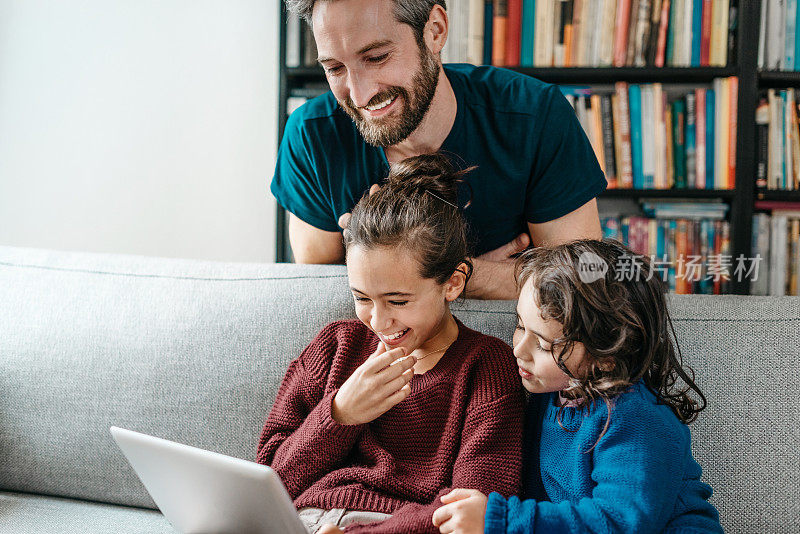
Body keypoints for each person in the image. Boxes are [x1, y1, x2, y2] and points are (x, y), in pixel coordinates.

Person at [257, 154, 526, 533]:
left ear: (453, 282)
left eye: (398, 301)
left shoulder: (485, 368)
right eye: (363, 298)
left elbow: (472, 511)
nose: (379, 322)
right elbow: (265, 483)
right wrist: (338, 414)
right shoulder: (336, 346)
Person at [273, 0, 607, 299]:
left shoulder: (535, 116)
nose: (359, 96)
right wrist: (503, 278)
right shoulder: (311, 135)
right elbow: (319, 295)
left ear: (435, 31)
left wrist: (456, 275)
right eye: (334, 68)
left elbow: (585, 282)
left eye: (376, 57)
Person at [432, 239, 724, 534]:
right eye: (520, 325)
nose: (518, 349)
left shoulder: (636, 419)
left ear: (606, 355)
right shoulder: (549, 395)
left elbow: (619, 523)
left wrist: (502, 521)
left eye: (545, 345)